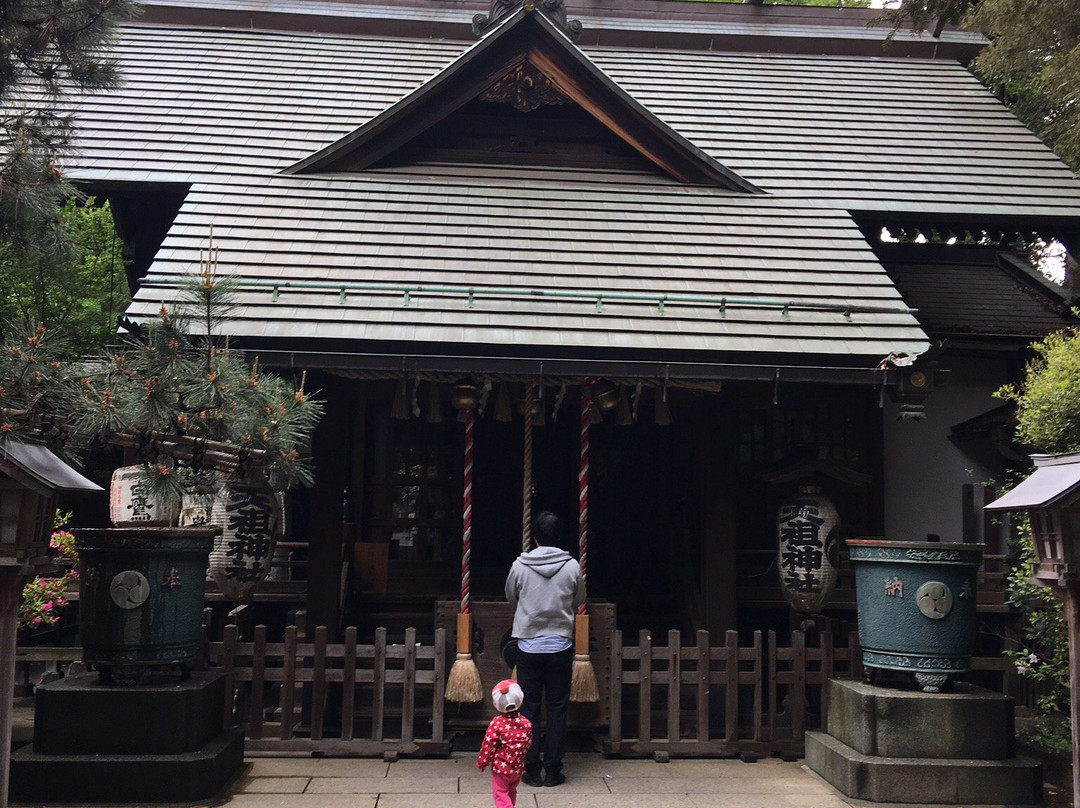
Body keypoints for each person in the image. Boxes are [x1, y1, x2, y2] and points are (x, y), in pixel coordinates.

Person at [504, 510, 585, 787]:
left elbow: (511, 596)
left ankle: (531, 769)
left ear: (534, 536)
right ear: (559, 536)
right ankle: (553, 770)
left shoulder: (520, 565)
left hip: (528, 645)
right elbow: (579, 599)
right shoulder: (572, 566)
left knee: (529, 707)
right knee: (558, 708)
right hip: (560, 644)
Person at [477, 679, 533, 808]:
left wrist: (482, 762)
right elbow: (528, 743)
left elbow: (488, 746)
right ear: (521, 701)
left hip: (501, 768)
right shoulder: (526, 723)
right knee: (511, 790)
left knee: (500, 793)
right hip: (517, 767)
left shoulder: (497, 724)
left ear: (495, 704)